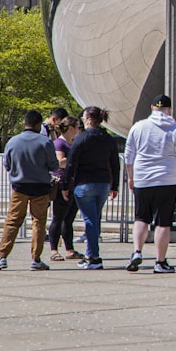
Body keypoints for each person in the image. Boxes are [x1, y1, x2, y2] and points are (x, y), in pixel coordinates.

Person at [123, 95, 176, 273]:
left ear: (152, 108)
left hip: (142, 179)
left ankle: (137, 251)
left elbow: (128, 156)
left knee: (141, 218)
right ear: (169, 109)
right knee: (163, 223)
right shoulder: (175, 129)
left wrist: (131, 177)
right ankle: (160, 261)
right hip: (167, 180)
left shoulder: (138, 127)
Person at [0, 110, 59, 271]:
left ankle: (2, 257)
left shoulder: (13, 142)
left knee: (13, 221)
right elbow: (54, 165)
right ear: (38, 125)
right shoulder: (44, 142)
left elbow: (6, 164)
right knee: (38, 222)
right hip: (41, 187)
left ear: (24, 123)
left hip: (19, 187)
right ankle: (36, 258)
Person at [62, 106, 121, 270]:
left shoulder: (82, 138)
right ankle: (91, 254)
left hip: (85, 183)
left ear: (88, 119)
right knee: (95, 218)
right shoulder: (107, 138)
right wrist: (114, 185)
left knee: (90, 220)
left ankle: (94, 256)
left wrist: (65, 185)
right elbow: (115, 164)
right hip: (102, 183)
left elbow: (71, 163)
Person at [48, 116, 84, 262]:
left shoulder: (73, 143)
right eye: (77, 127)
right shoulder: (59, 143)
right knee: (58, 218)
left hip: (74, 184)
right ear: (71, 128)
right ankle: (54, 249)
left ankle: (69, 249)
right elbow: (59, 162)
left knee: (68, 219)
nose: (79, 130)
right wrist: (76, 159)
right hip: (62, 184)